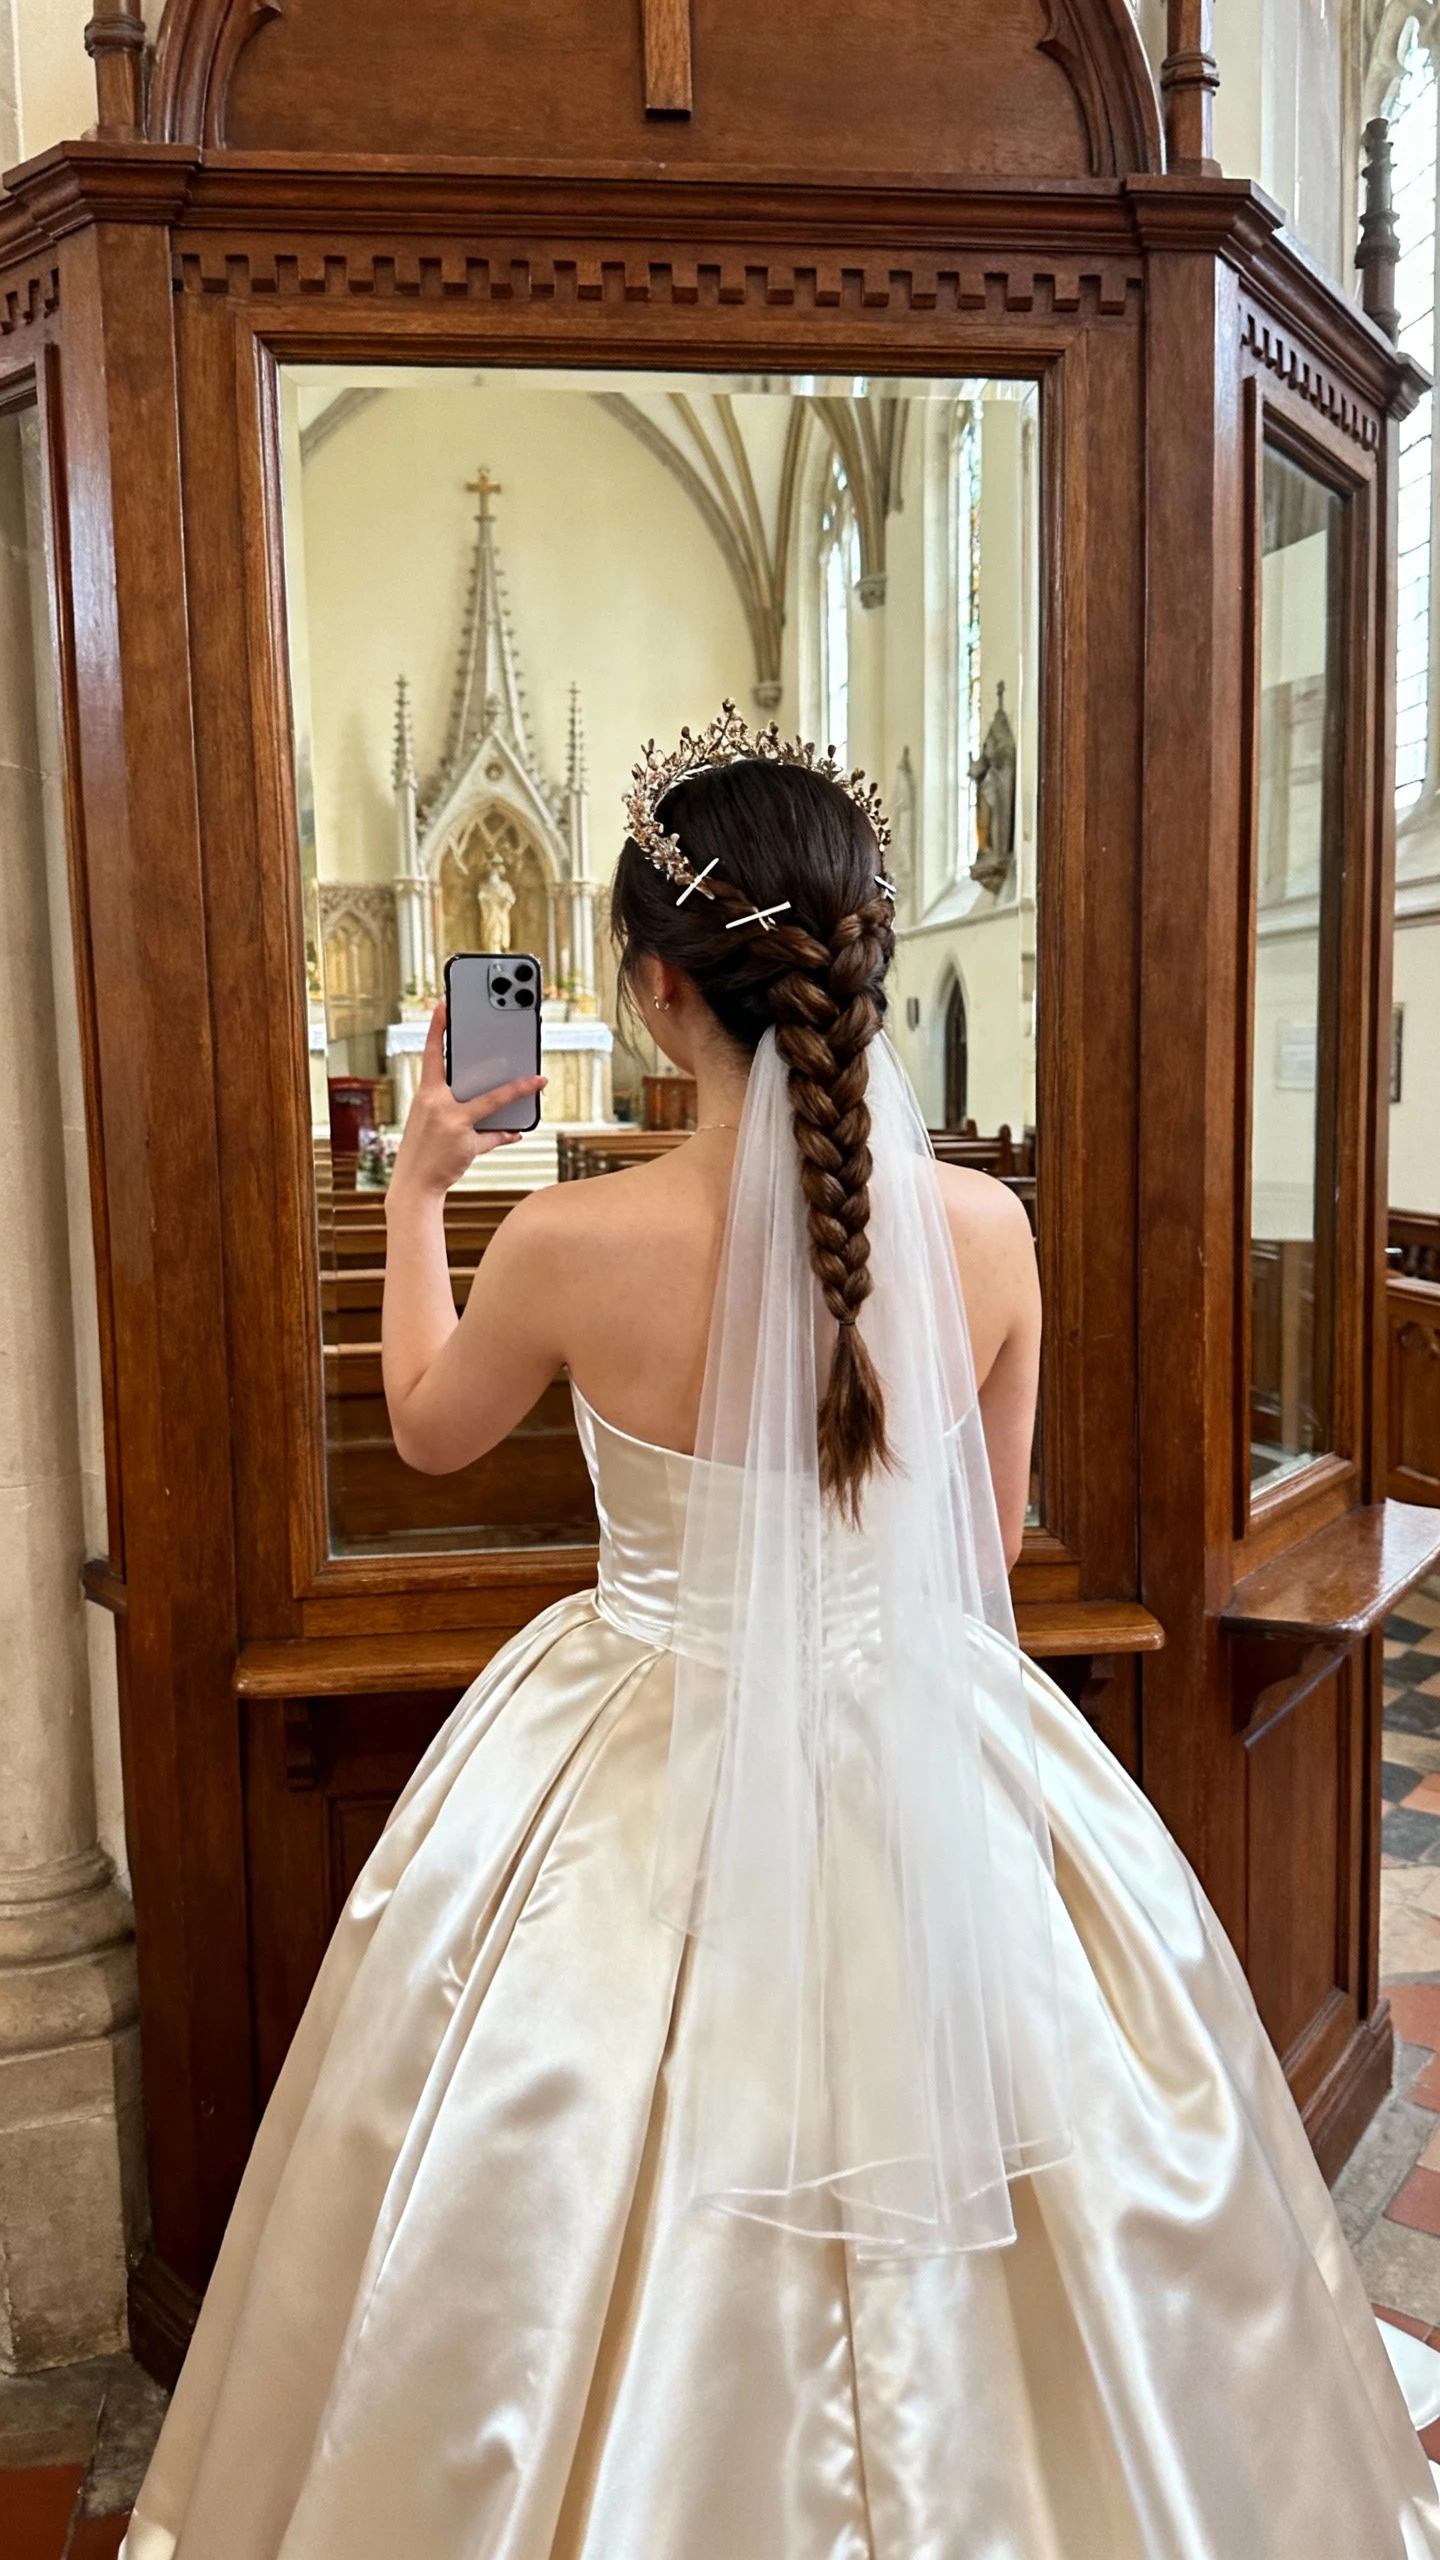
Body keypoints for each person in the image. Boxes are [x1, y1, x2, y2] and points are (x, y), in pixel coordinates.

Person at [124, 711, 1440, 2559]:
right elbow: (975, 1553)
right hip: (933, 1750)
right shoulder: (992, 1233)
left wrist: (422, 1178)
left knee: (552, 2177)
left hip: (622, 1762)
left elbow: (421, 1426)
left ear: (654, 994)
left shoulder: (564, 1242)